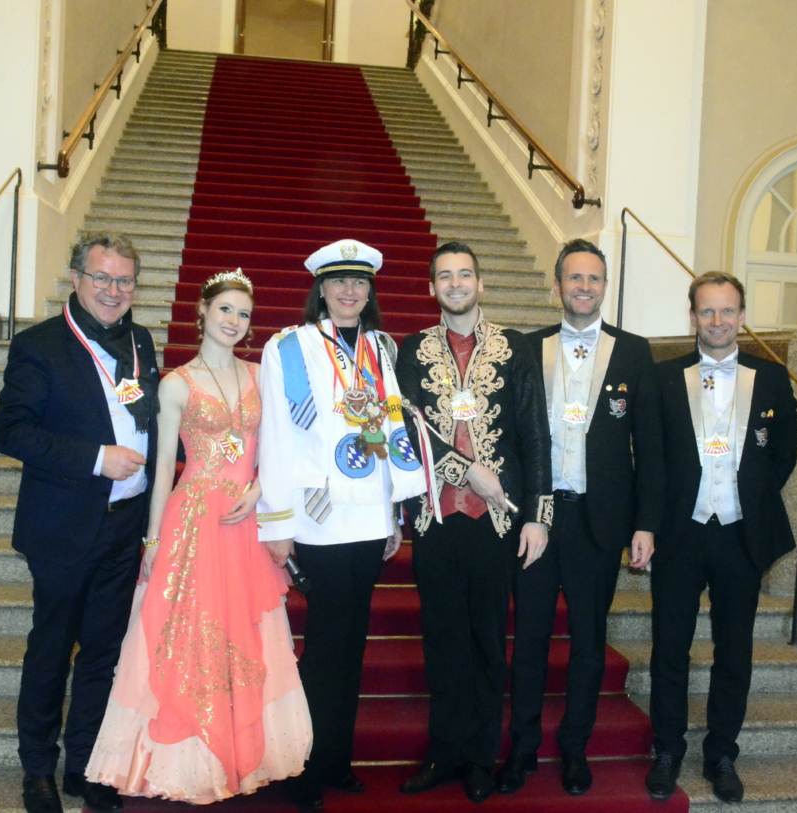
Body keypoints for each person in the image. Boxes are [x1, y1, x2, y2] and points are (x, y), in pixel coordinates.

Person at [85, 269, 312, 802]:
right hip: (192, 524)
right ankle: (187, 759)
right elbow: (163, 467)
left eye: (243, 314)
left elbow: (285, 450)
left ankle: (242, 748)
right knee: (189, 634)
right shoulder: (175, 383)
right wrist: (153, 540)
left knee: (247, 634)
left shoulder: (262, 377)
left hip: (246, 522)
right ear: (202, 313)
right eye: (225, 310)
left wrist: (259, 491)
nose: (234, 321)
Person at [256, 239, 427, 812]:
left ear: (369, 291)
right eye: (338, 283)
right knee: (324, 648)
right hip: (320, 519)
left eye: (359, 283)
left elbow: (392, 428)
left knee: (352, 646)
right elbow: (277, 436)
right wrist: (277, 522)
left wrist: (397, 512)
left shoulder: (382, 347)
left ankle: (336, 759)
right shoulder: (291, 347)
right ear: (321, 289)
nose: (350, 292)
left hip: (370, 516)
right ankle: (302, 764)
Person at [0, 232, 160, 813]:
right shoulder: (39, 345)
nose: (114, 291)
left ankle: (85, 766)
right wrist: (96, 458)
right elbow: (11, 432)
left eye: (125, 281)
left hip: (124, 525)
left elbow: (149, 422)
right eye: (102, 279)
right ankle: (37, 769)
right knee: (51, 649)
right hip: (63, 526)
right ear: (75, 278)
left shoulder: (140, 340)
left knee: (103, 654)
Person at [497, 239, 664, 797]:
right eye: (574, 278)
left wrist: (645, 524)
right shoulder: (526, 348)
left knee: (590, 643)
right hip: (537, 523)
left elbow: (651, 447)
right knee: (532, 640)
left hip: (600, 522)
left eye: (594, 279)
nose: (584, 287)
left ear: (605, 287)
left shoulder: (635, 353)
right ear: (557, 285)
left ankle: (574, 749)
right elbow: (514, 440)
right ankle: (522, 749)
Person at [395, 242, 551, 804]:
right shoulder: (410, 351)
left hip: (499, 523)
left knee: (488, 640)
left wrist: (538, 515)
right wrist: (466, 471)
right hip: (437, 519)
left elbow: (536, 434)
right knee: (442, 640)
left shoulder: (516, 348)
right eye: (444, 276)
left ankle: (481, 758)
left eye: (465, 275)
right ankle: (444, 753)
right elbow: (407, 431)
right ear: (431, 287)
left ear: (480, 284)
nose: (455, 284)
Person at [645, 271, 797, 804]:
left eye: (727, 310)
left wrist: (748, 498)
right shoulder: (663, 377)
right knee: (670, 648)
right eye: (707, 311)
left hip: (741, 536)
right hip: (679, 535)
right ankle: (666, 750)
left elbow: (783, 455)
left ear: (742, 316)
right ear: (692, 316)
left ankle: (722, 753)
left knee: (735, 651)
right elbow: (653, 459)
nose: (717, 320)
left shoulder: (772, 378)